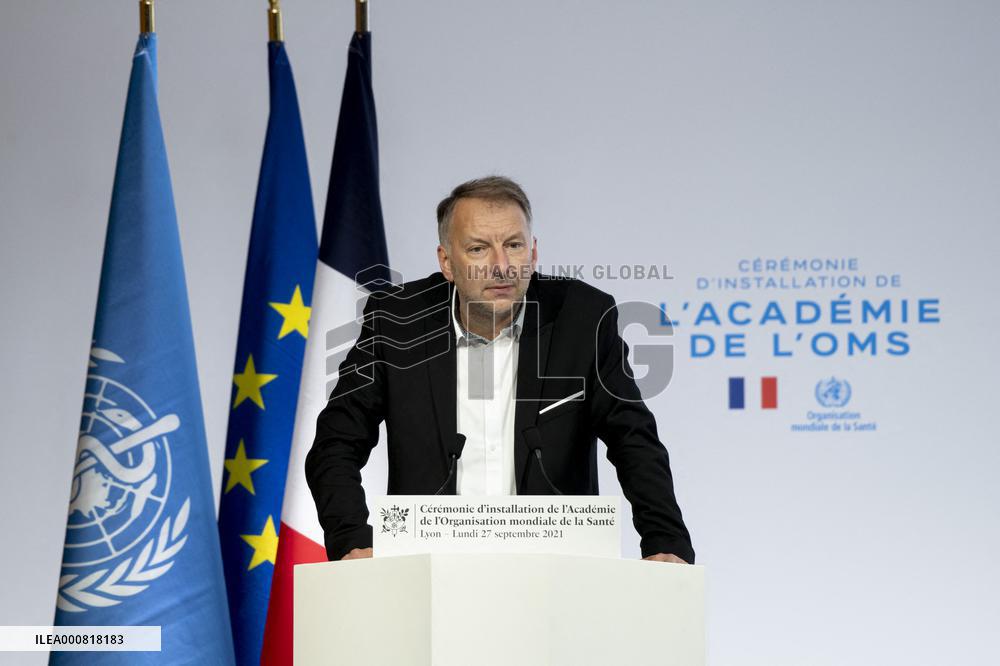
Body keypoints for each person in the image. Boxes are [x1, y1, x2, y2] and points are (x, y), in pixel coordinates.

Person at [305, 176, 694, 564]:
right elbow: (335, 444)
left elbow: (633, 440)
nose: (501, 267)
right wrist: (352, 539)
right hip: (428, 570)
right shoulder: (396, 321)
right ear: (447, 262)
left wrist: (665, 540)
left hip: (555, 569)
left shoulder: (584, 318)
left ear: (534, 253)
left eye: (514, 245)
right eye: (479, 249)